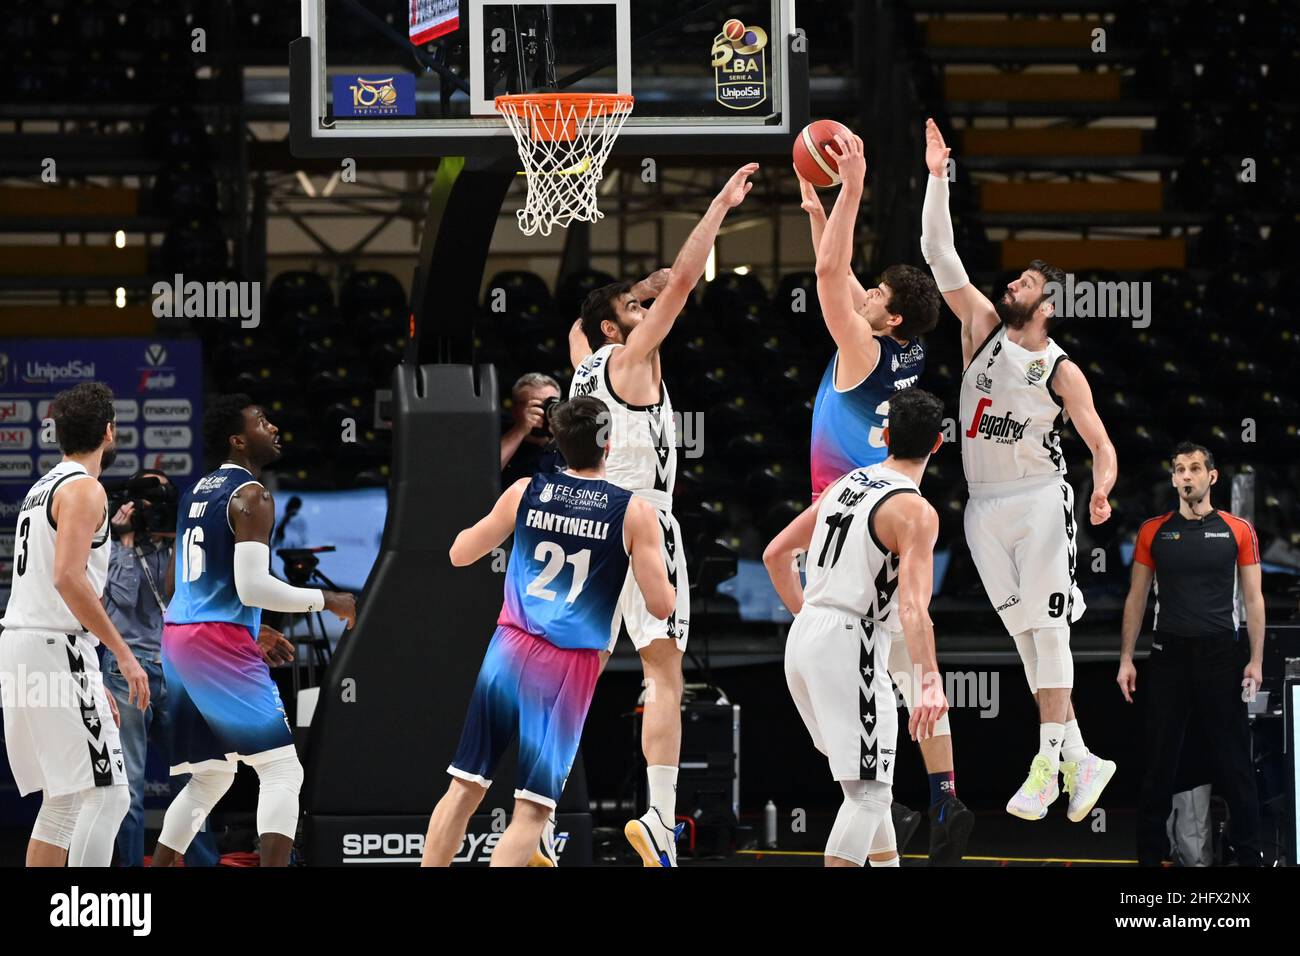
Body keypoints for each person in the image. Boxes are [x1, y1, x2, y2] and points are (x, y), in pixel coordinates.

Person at [921, 118, 1118, 822]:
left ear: (1048, 304)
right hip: (982, 505)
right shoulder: (978, 329)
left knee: (1053, 630)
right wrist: (938, 176)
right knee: (1028, 635)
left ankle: (1047, 760)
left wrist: (1101, 486)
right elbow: (936, 251)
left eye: (1028, 281)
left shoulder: (1058, 367)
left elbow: (1100, 439)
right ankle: (1080, 757)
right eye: (1015, 276)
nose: (1013, 283)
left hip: (1039, 498)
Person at [566, 162, 758, 865]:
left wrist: (626, 293)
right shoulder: (630, 358)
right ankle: (658, 814)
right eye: (635, 311)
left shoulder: (583, 362)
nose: (648, 315)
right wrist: (717, 205)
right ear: (618, 328)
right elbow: (682, 283)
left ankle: (537, 803)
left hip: (582, 519)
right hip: (639, 516)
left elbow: (579, 321)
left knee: (573, 668)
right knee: (663, 670)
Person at [800, 133, 972, 864]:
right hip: (877, 529)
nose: (866, 294)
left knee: (862, 777)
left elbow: (832, 271)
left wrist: (850, 188)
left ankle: (919, 802)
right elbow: (840, 275)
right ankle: (942, 792)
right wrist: (819, 210)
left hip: (844, 542)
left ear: (890, 316)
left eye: (879, 296)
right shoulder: (909, 351)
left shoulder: (863, 349)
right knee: (893, 716)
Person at [420, 397, 675, 867]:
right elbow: (662, 605)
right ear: (609, 443)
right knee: (533, 808)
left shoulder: (524, 491)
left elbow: (458, 554)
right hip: (567, 664)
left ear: (557, 440)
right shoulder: (635, 512)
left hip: (508, 648)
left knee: (465, 784)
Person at [150, 395, 356, 867]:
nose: (274, 426)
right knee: (282, 769)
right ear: (238, 440)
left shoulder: (197, 491)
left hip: (180, 636)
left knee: (210, 777)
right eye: (262, 422)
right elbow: (253, 585)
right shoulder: (251, 494)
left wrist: (249, 628)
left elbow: (177, 581)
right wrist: (331, 600)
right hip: (214, 641)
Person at [763, 387, 950, 867]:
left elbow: (776, 555)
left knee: (871, 786)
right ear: (938, 443)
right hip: (854, 640)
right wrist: (929, 681)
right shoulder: (916, 511)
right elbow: (912, 609)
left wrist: (810, 620)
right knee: (867, 794)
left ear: (884, 435)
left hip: (806, 636)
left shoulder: (844, 485)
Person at [0, 381, 149, 866]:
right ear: (109, 432)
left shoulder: (42, 487)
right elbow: (68, 578)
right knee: (108, 796)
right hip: (52, 644)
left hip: (29, 645)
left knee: (64, 802)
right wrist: (123, 656)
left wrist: (85, 670)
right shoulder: (86, 489)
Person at [1118, 442, 1264, 866]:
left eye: (1195, 468)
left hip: (1222, 653)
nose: (1186, 476)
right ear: (1173, 479)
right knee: (1160, 761)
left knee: (1235, 761)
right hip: (1169, 654)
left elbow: (1253, 601)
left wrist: (1254, 660)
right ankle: (1151, 854)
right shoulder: (1153, 530)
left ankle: (1248, 855)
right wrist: (1127, 658)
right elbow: (1137, 598)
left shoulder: (1238, 530)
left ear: (1211, 476)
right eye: (1179, 469)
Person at [500, 372, 565, 485]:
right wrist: (520, 429)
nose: (544, 412)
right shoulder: (498, 436)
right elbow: (484, 473)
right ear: (515, 410)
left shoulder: (568, 445)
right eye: (537, 406)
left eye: (550, 406)